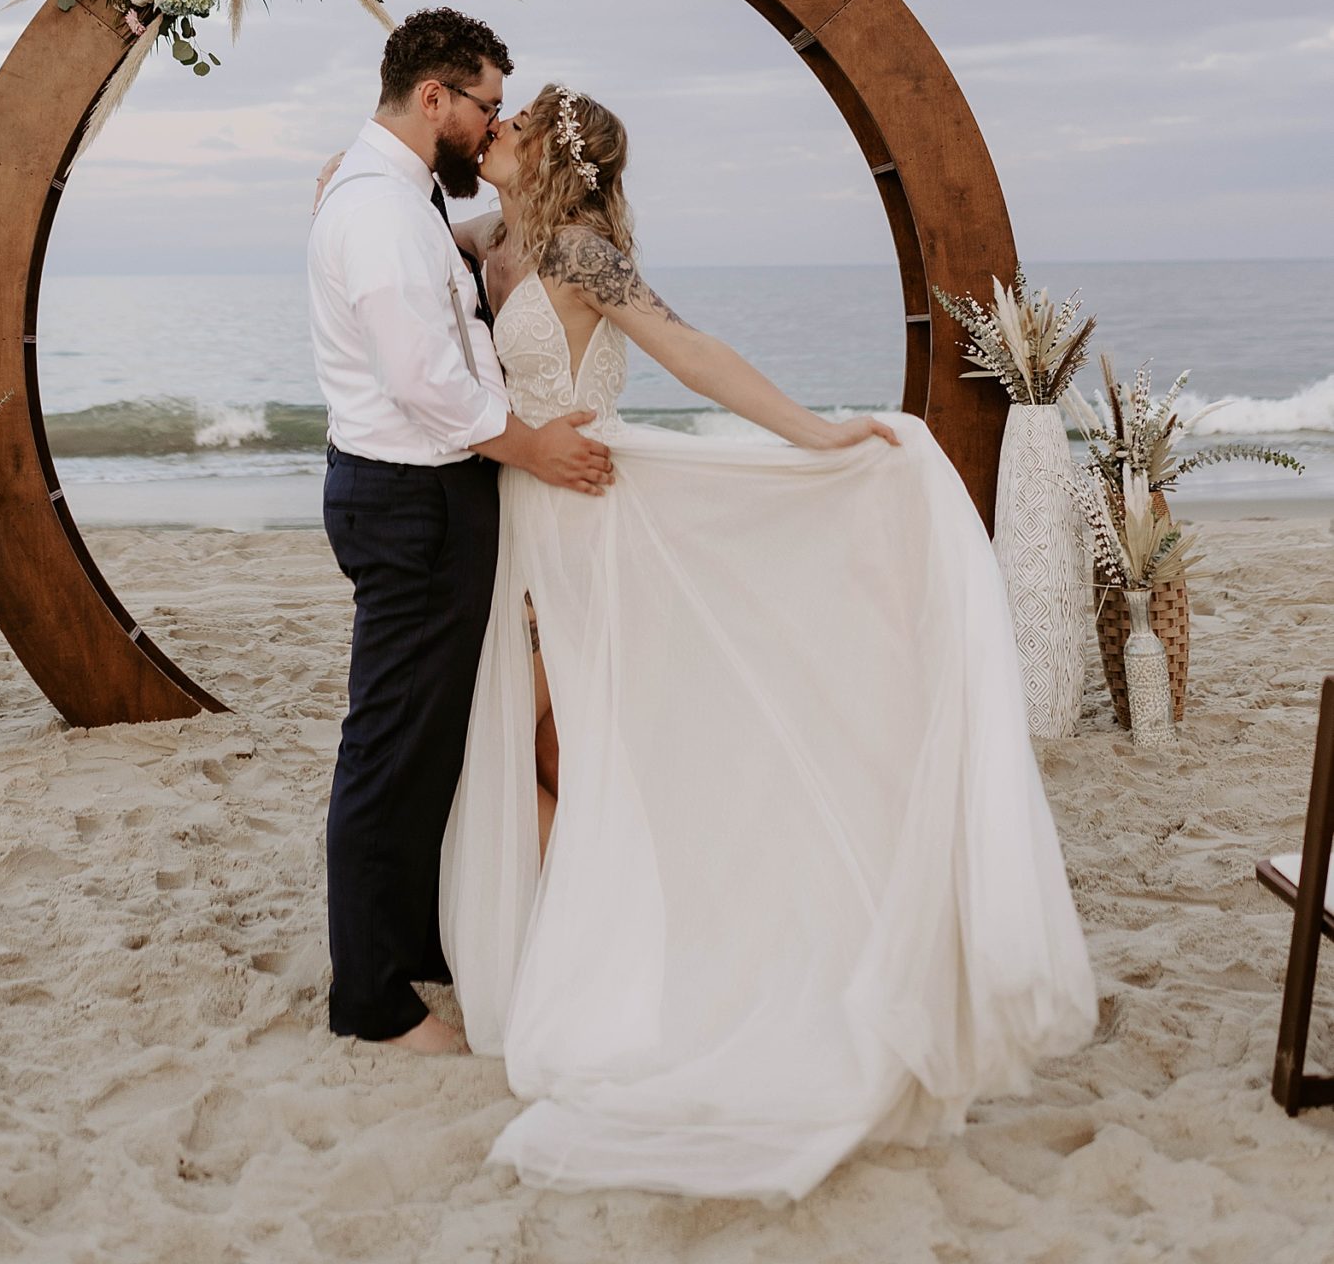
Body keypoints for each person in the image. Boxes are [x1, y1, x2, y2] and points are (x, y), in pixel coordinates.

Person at [435, 83, 1097, 1201]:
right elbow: (414, 225)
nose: (491, 132)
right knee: (543, 744)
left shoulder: (586, 254)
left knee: (572, 742)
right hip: (527, 513)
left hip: (595, 516)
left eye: (513, 125)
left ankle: (612, 966)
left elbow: (692, 352)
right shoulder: (495, 239)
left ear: (553, 157)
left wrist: (815, 434)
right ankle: (572, 951)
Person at [307, 11, 614, 1057]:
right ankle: (373, 1001)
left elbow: (465, 279)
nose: (489, 128)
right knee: (390, 745)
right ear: (431, 97)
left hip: (423, 494)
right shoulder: (383, 213)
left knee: (434, 737)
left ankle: (417, 944)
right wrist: (530, 447)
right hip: (410, 498)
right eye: (483, 104)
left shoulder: (397, 200)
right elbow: (424, 379)